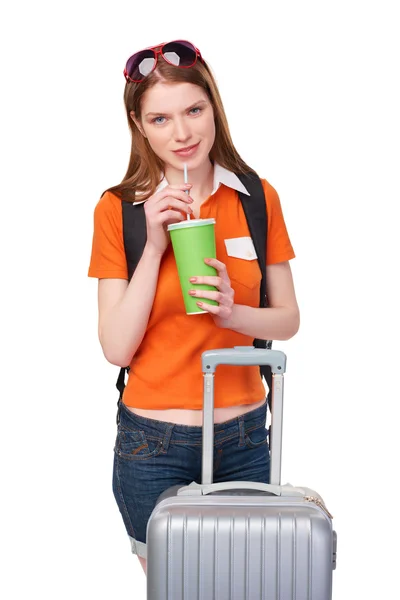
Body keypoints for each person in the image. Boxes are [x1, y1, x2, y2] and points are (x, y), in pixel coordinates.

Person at [88, 40, 300, 575]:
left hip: (246, 434)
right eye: (160, 118)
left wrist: (233, 313)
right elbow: (116, 348)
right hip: (152, 443)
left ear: (213, 108)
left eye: (193, 111)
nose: (182, 134)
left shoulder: (257, 197)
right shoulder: (119, 210)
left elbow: (289, 319)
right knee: (178, 588)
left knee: (245, 584)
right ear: (140, 125)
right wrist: (156, 245)